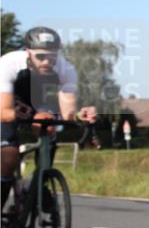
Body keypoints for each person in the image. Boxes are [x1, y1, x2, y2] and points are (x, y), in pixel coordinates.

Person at [1, 27, 97, 209]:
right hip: (8, 103)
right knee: (8, 156)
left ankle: (39, 181)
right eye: (40, 57)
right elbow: (4, 111)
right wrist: (15, 113)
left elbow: (68, 114)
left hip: (38, 103)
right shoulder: (8, 64)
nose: (47, 61)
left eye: (52, 57)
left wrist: (79, 115)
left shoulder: (65, 69)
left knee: (49, 123)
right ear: (28, 52)